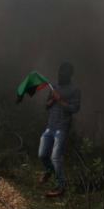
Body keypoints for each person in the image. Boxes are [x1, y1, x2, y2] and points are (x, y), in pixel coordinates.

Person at [38, 61, 81, 198]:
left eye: (64, 74)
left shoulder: (75, 90)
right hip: (50, 126)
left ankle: (60, 187)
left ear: (70, 75)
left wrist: (60, 100)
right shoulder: (54, 86)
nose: (60, 76)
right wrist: (52, 100)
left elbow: (75, 108)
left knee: (55, 157)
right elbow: (46, 105)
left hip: (62, 128)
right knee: (42, 154)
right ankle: (49, 171)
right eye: (59, 73)